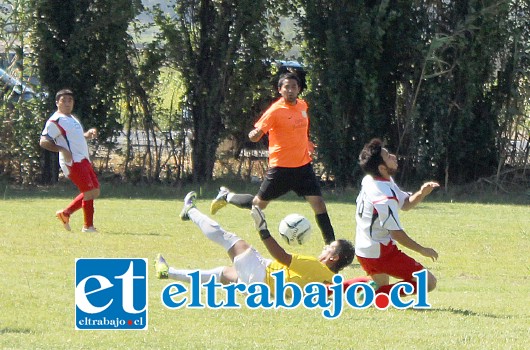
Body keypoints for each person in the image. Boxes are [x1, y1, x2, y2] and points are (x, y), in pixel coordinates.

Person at [210, 72, 336, 244]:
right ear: (280, 90)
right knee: (257, 206)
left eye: (294, 87)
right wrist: (254, 134)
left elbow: (300, 131)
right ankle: (227, 196)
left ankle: (332, 245)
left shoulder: (302, 106)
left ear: (299, 89)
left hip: (303, 167)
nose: (290, 90)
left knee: (319, 205)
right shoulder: (275, 111)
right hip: (281, 168)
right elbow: (256, 134)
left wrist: (307, 143)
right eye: (286, 87)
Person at [154, 191, 356, 294]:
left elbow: (282, 257)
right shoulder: (330, 283)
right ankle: (167, 272)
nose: (324, 247)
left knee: (229, 239)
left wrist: (263, 229)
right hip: (263, 285)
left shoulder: (314, 266)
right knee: (223, 274)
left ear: (334, 257)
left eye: (329, 247)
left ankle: (190, 211)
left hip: (261, 277)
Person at [352, 138, 439, 296]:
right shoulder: (384, 196)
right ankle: (374, 294)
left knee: (381, 284)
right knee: (427, 282)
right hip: (380, 253)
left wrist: (421, 193)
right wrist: (422, 249)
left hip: (364, 249)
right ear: (382, 167)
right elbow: (396, 233)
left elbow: (405, 204)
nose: (393, 156)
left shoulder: (372, 179)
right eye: (388, 157)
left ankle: (339, 290)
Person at [40, 89, 100, 233]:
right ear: (57, 103)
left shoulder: (71, 118)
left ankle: (65, 213)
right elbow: (43, 141)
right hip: (73, 161)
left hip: (83, 158)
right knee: (88, 192)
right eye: (63, 100)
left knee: (95, 191)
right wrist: (63, 150)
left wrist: (87, 135)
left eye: (70, 100)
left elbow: (75, 137)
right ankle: (88, 227)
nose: (67, 103)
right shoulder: (55, 121)